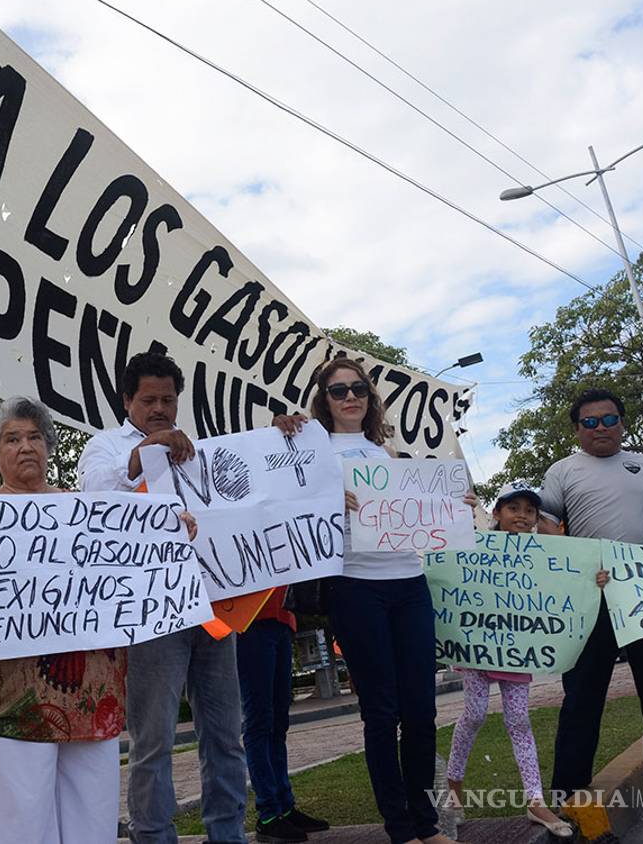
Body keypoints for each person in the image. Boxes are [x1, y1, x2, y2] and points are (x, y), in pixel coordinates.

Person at [0, 396, 133, 844]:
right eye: (12, 439)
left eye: (34, 436)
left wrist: (172, 532)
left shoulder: (89, 509)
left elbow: (131, 571)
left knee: (93, 819)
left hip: (91, 691)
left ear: (49, 446)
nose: (26, 446)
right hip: (11, 696)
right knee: (21, 822)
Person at [281, 356, 469, 844]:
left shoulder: (385, 452)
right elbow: (283, 496)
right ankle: (400, 828)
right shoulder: (312, 447)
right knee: (381, 713)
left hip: (409, 583)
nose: (350, 397)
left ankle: (427, 824)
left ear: (370, 396)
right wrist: (320, 493)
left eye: (358, 388)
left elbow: (417, 510)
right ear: (323, 400)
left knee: (422, 711)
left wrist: (454, 507)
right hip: (355, 586)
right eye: (338, 390)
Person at [78, 351, 255, 844]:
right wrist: (144, 452)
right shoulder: (104, 447)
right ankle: (154, 836)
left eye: (168, 400)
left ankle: (228, 835)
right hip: (150, 615)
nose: (159, 409)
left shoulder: (201, 449)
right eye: (149, 400)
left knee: (225, 735)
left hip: (212, 607)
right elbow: (93, 495)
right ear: (127, 401)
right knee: (153, 740)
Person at [542, 388, 643, 831]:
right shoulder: (562, 471)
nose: (600, 428)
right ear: (577, 430)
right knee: (581, 700)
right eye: (590, 422)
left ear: (623, 423)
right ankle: (568, 799)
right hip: (592, 598)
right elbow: (545, 528)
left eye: (609, 419)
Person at [443, 483, 574, 839]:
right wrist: (458, 513)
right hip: (478, 650)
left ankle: (535, 800)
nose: (522, 516)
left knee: (519, 720)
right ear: (497, 512)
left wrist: (595, 579)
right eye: (513, 508)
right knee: (473, 715)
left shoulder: (540, 554)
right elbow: (448, 562)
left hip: (516, 651)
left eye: (530, 511)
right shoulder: (476, 545)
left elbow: (566, 583)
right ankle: (453, 792)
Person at [236, 585, 331, 843]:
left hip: (282, 617)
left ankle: (284, 807)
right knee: (260, 720)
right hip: (251, 619)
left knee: (279, 721)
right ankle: (268, 814)